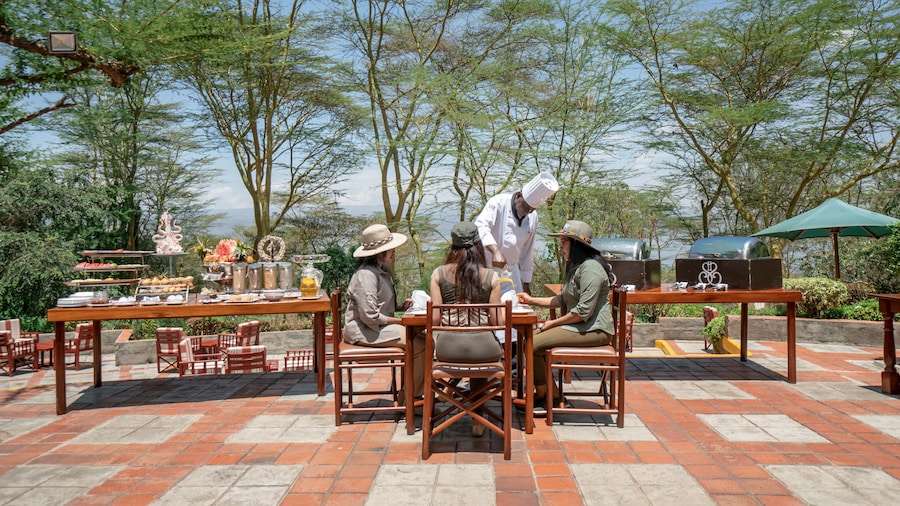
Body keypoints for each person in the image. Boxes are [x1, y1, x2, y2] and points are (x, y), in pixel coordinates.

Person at [516, 220, 615, 411]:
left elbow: (582, 312)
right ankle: (549, 394)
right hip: (581, 327)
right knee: (529, 339)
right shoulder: (577, 267)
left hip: (594, 329)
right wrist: (530, 300)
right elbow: (562, 300)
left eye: (564, 242)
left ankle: (547, 397)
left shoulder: (591, 269)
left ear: (576, 244)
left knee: (533, 343)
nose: (560, 247)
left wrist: (552, 324)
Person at [428, 221, 503, 436]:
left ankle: (448, 396)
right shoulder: (491, 276)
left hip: (447, 349)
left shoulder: (438, 274)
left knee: (467, 342)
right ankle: (478, 418)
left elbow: (434, 320)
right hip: (485, 350)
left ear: (453, 247)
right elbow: (497, 320)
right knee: (480, 343)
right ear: (478, 246)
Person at [474, 171, 559, 295]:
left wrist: (526, 282)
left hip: (510, 273)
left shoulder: (533, 217)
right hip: (486, 269)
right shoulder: (498, 202)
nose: (527, 211)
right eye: (525, 207)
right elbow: (481, 226)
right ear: (518, 196)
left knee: (514, 308)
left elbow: (527, 251)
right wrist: (495, 251)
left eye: (531, 209)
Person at [343, 224, 412, 348]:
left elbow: (381, 304)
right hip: (364, 331)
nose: (394, 251)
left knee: (423, 339)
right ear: (380, 252)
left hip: (379, 327)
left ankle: (415, 368)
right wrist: (402, 321)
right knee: (416, 340)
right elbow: (370, 316)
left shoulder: (383, 269)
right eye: (390, 249)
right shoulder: (366, 275)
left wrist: (401, 307)